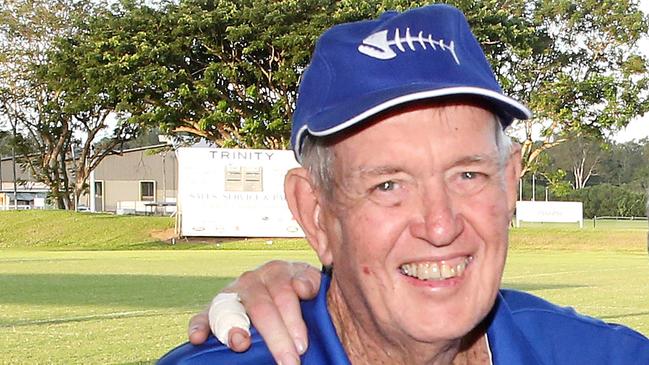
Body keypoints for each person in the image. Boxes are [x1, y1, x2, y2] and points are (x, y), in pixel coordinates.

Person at [161, 4, 649, 364]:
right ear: (316, 213)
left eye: (468, 175)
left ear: (508, 186)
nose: (440, 226)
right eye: (388, 185)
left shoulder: (610, 355)